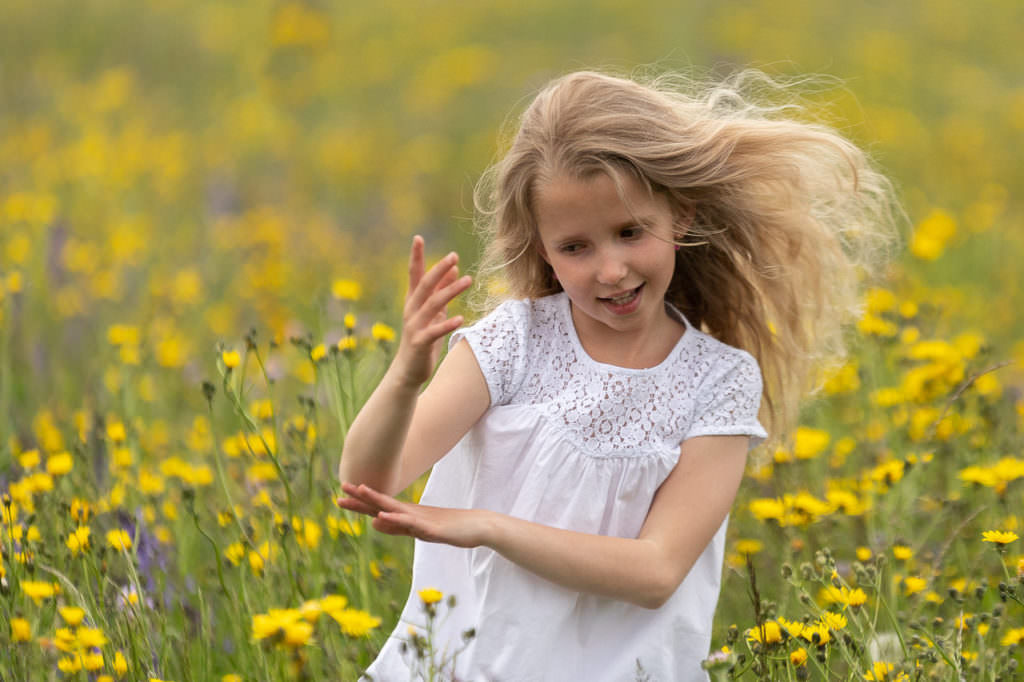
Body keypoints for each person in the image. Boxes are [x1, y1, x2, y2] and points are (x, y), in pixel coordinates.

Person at [337, 69, 899, 680]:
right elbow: (368, 482)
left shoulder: (719, 382)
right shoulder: (513, 342)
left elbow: (656, 572)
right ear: (543, 250)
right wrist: (405, 376)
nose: (610, 270)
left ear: (680, 216)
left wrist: (492, 528)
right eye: (575, 247)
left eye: (630, 233)